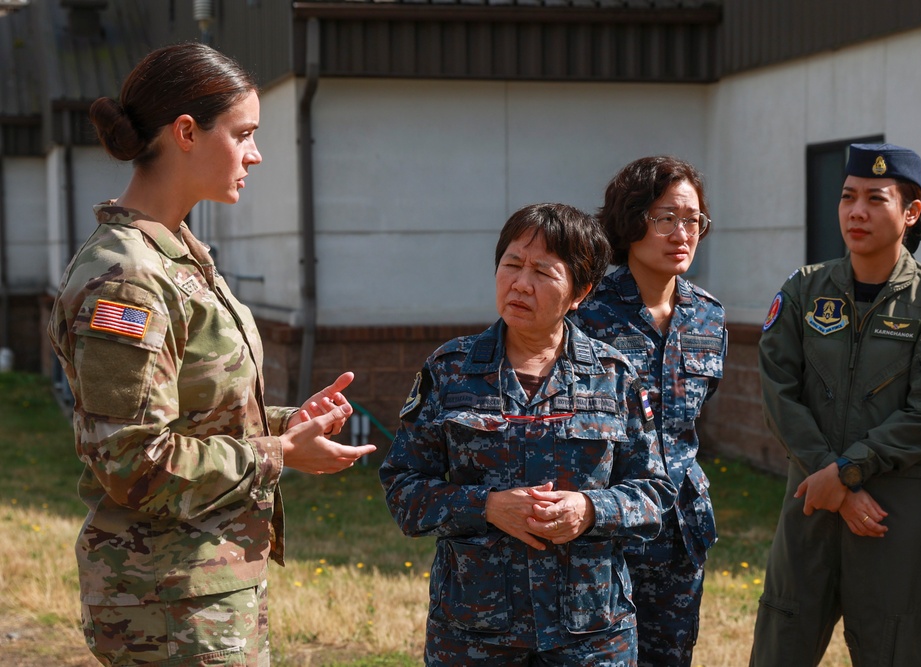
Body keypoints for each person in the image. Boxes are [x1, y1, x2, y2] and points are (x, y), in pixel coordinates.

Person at [47, 43, 376, 666]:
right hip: (168, 605)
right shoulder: (127, 279)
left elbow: (191, 410)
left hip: (202, 587)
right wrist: (280, 454)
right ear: (187, 132)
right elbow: (132, 459)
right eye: (245, 134)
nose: (255, 154)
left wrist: (285, 424)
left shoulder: (178, 252)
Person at [380, 203, 675, 666]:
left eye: (543, 271)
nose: (520, 283)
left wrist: (590, 509)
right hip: (475, 633)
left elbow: (655, 493)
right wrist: (487, 507)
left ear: (581, 291)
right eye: (512, 264)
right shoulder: (452, 370)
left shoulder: (614, 377)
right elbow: (403, 489)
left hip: (590, 636)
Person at [750, 143, 921, 666]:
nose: (857, 211)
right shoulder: (804, 291)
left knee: (893, 652)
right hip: (809, 504)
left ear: (911, 212)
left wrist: (850, 472)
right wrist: (834, 480)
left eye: (876, 199)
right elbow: (777, 395)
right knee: (779, 651)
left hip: (891, 518)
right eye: (849, 197)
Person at [573, 155, 727, 666]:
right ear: (631, 219)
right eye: (666, 218)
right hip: (604, 532)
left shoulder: (707, 314)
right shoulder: (585, 312)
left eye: (693, 220)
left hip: (681, 533)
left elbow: (689, 424)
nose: (682, 232)